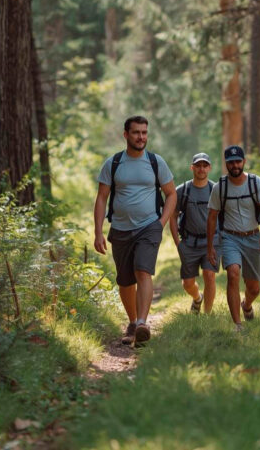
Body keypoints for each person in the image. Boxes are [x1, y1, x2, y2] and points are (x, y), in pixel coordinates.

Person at [93, 116, 177, 347]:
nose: (141, 137)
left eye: (144, 132)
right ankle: (132, 322)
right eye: (136, 132)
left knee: (143, 271)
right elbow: (102, 198)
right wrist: (98, 232)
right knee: (125, 280)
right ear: (126, 135)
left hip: (149, 226)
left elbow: (171, 193)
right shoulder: (114, 163)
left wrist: (160, 223)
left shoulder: (155, 162)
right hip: (120, 228)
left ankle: (142, 322)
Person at [206, 145, 260, 329]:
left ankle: (247, 305)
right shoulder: (220, 188)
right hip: (230, 238)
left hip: (253, 237)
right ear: (226, 164)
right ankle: (237, 324)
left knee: (254, 288)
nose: (235, 165)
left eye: (238, 161)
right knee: (233, 274)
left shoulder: (255, 182)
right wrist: (210, 246)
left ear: (244, 161)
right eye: (231, 162)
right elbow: (212, 217)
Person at [169, 152, 221, 314]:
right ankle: (198, 298)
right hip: (189, 243)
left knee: (209, 275)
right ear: (192, 168)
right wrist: (178, 243)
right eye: (198, 166)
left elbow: (225, 215)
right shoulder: (182, 190)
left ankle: (207, 315)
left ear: (209, 168)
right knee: (188, 283)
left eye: (205, 166)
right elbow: (173, 216)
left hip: (212, 242)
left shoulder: (216, 190)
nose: (201, 169)